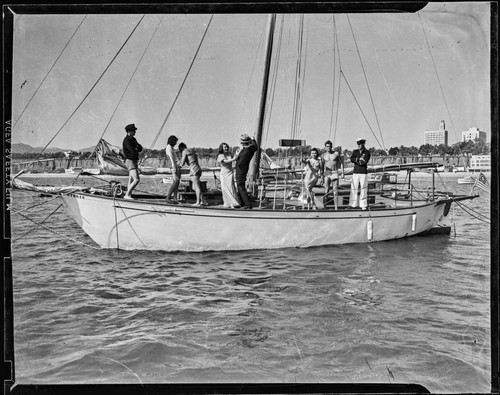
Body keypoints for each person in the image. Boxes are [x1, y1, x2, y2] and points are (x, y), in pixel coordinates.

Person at [235, 134, 258, 209]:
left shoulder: (245, 151)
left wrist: (237, 156)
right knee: (241, 186)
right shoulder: (251, 148)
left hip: (241, 170)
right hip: (245, 169)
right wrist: (253, 140)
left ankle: (247, 204)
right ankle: (242, 202)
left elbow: (240, 163)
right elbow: (256, 147)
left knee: (240, 186)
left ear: (242, 143)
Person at [321, 140, 344, 210]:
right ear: (325, 147)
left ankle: (336, 207)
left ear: (331, 146)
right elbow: (322, 167)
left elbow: (342, 163)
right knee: (326, 190)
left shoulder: (336, 154)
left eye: (330, 146)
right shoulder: (323, 155)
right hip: (327, 172)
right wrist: (322, 177)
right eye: (327, 146)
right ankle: (324, 207)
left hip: (334, 171)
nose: (329, 148)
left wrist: (343, 173)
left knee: (335, 190)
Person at [217, 142, 241, 208]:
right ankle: (227, 203)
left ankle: (234, 202)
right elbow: (225, 161)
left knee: (231, 187)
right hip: (224, 173)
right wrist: (233, 159)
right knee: (225, 188)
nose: (226, 148)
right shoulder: (220, 156)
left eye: (227, 147)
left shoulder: (230, 154)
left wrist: (237, 153)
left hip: (230, 172)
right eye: (225, 147)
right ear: (222, 148)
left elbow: (235, 157)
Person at [122, 123, 143, 199]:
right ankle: (127, 195)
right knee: (136, 179)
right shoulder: (126, 140)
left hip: (134, 161)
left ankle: (129, 194)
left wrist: (136, 148)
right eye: (133, 130)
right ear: (129, 131)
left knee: (130, 180)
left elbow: (140, 148)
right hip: (130, 161)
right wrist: (136, 148)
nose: (135, 132)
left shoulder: (133, 139)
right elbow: (132, 151)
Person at [349, 138, 371, 210]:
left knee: (363, 188)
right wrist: (359, 159)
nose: (358, 145)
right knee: (354, 188)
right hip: (355, 172)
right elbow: (352, 159)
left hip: (363, 172)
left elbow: (364, 161)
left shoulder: (367, 152)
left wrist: (357, 160)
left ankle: (363, 204)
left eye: (360, 144)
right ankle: (353, 204)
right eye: (358, 144)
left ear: (363, 144)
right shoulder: (355, 151)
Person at [165, 135, 180, 203]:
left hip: (175, 166)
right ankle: (168, 197)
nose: (175, 144)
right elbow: (170, 158)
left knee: (176, 182)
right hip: (173, 167)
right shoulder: (169, 148)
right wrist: (173, 167)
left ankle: (175, 197)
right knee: (175, 182)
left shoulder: (171, 148)